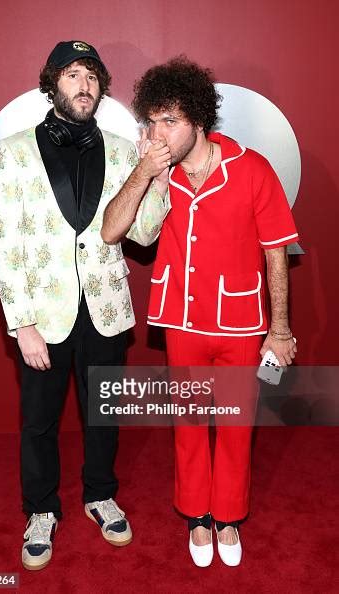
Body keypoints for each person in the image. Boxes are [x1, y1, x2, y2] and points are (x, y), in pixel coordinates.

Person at [101, 56, 298, 567]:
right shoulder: (156, 175)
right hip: (181, 324)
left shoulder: (252, 169)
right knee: (188, 425)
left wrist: (279, 330)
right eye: (152, 121)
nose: (158, 133)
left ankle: (228, 518)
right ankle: (197, 515)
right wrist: (147, 172)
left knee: (235, 427)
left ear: (198, 119)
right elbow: (113, 232)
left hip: (240, 326)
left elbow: (276, 250)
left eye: (170, 121)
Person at [0, 40, 170, 571]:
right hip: (43, 316)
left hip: (105, 309)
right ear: (52, 83)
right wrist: (20, 322)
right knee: (40, 421)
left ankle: (100, 494)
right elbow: (5, 241)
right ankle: (41, 509)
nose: (84, 84)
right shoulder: (16, 149)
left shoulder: (121, 149)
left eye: (92, 75)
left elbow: (142, 234)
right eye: (72, 74)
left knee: (103, 414)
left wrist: (155, 182)